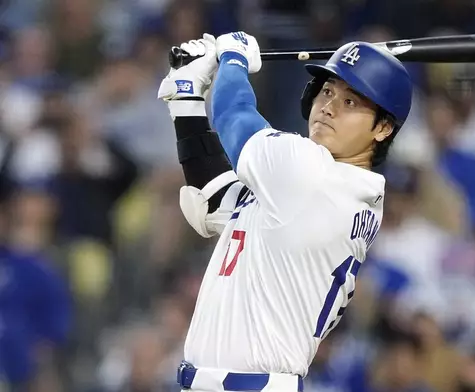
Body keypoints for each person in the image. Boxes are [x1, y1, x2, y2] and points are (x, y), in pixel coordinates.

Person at [157, 31, 413, 392]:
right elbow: (214, 201)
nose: (329, 107)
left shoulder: (312, 173)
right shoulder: (320, 188)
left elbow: (234, 116)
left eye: (352, 102)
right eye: (327, 91)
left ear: (384, 128)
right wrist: (185, 99)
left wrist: (234, 59)